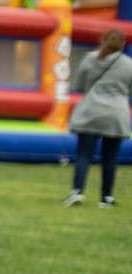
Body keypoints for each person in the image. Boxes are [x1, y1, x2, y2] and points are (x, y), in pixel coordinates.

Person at [65, 28, 132, 208]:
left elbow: (78, 86)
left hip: (91, 111)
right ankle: (106, 198)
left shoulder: (90, 59)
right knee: (110, 157)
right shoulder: (128, 64)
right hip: (116, 114)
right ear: (123, 44)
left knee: (84, 154)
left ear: (102, 40)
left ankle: (77, 192)